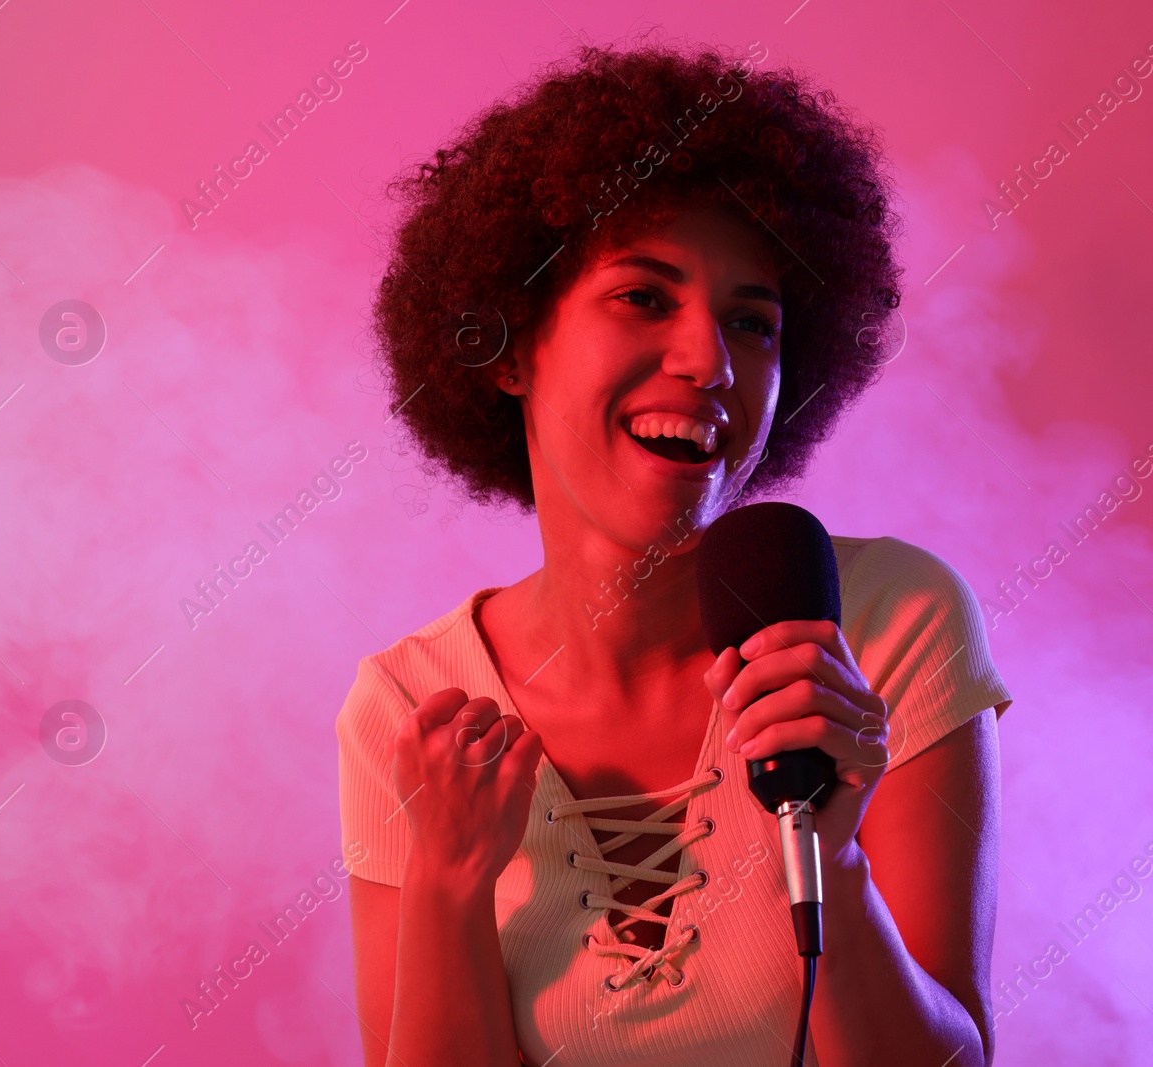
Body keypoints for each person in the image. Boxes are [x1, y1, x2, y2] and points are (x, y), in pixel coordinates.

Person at [337, 37, 1013, 1067]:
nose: (709, 362)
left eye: (753, 322)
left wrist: (831, 851)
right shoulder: (410, 705)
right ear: (511, 342)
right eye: (644, 297)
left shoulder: (890, 621)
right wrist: (444, 880)